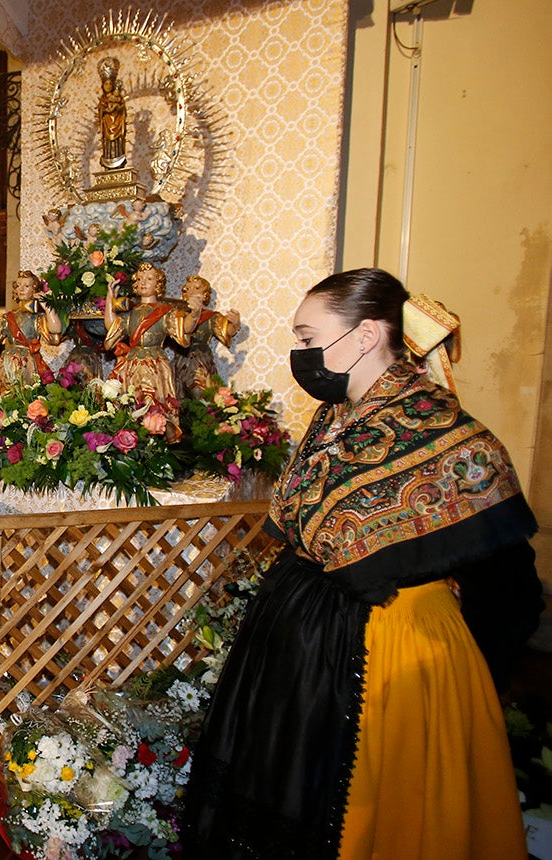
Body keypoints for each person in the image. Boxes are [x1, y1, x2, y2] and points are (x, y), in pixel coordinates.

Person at [185, 268, 542, 859]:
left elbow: (510, 590)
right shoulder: (333, 421)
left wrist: (459, 689)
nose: (299, 354)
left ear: (366, 335)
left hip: (391, 664)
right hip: (298, 665)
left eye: (307, 337)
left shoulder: (446, 434)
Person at [103, 262, 183, 441]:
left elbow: (183, 330)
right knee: (131, 404)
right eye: (139, 279)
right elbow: (113, 326)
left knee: (153, 405)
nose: (143, 282)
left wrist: (195, 311)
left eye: (149, 278)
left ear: (158, 284)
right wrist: (110, 298)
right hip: (132, 365)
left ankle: (156, 441)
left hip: (155, 365)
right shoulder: (131, 314)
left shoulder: (165, 312)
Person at [0, 271, 70, 393]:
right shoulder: (9, 317)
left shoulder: (38, 318)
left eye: (26, 286)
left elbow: (55, 330)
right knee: (4, 394)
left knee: (25, 394)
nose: (21, 289)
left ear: (35, 290)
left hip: (26, 363)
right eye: (18, 286)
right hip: (7, 362)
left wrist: (47, 308)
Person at [167, 274, 241, 400]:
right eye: (188, 289)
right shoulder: (177, 317)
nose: (191, 292)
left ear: (205, 295)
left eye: (196, 288)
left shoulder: (209, 317)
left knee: (200, 392)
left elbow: (227, 331)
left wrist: (235, 324)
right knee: (179, 394)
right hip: (181, 359)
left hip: (199, 358)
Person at [97, 57, 127, 170]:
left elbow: (121, 108)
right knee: (107, 142)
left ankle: (118, 160)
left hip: (117, 124)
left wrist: (117, 107)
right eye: (106, 84)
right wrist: (105, 110)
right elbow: (101, 110)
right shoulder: (103, 100)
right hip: (107, 124)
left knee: (118, 141)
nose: (108, 86)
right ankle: (108, 159)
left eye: (110, 84)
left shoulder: (118, 97)